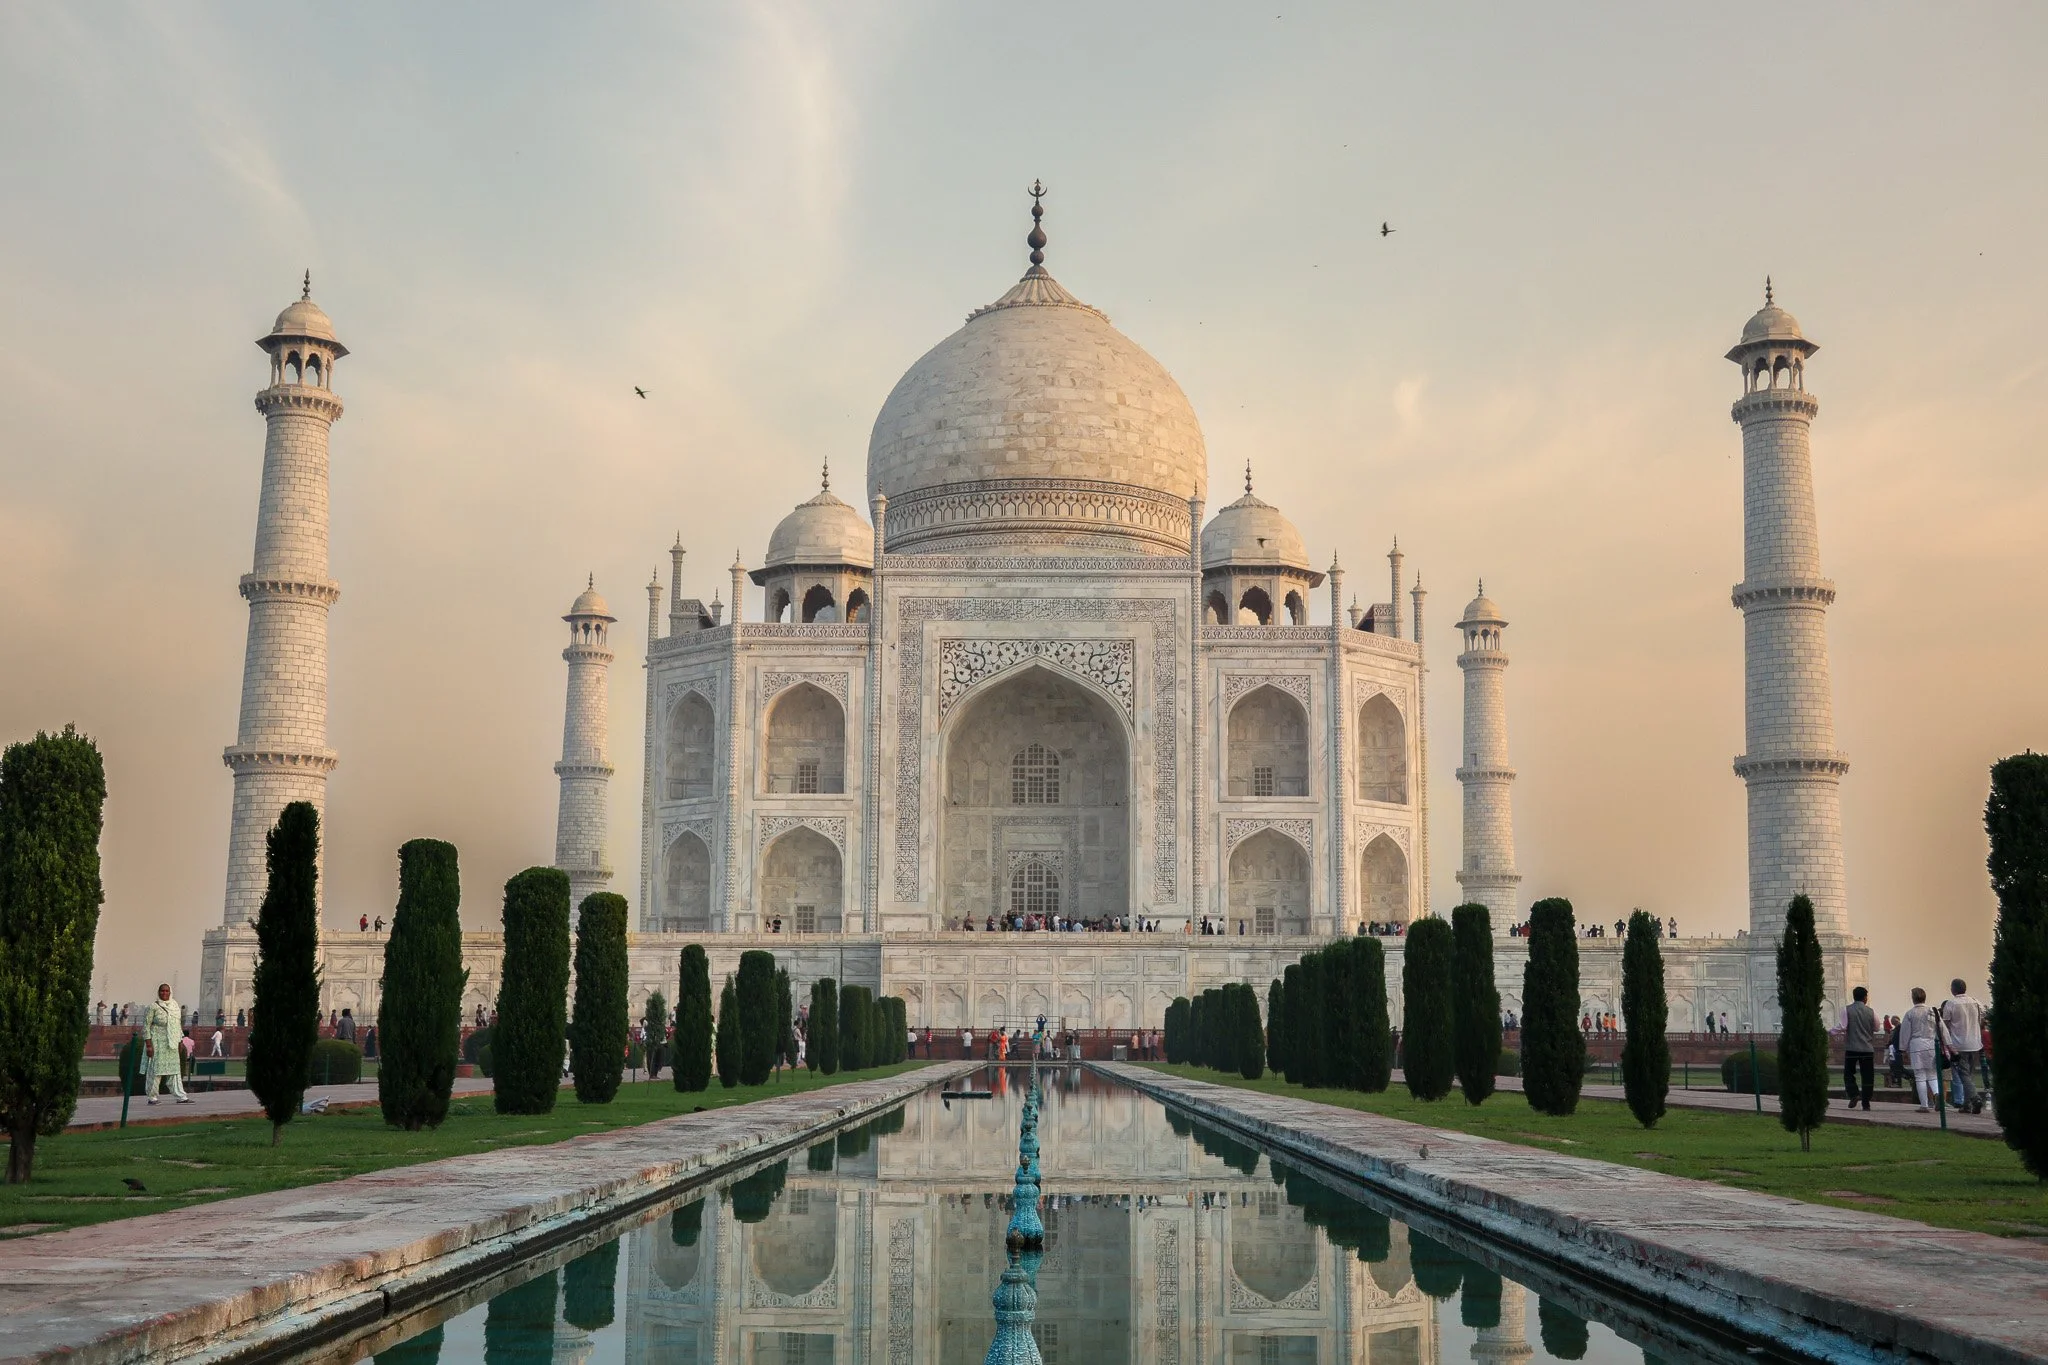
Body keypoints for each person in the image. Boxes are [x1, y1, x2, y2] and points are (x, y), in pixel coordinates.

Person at [141, 983, 193, 1105]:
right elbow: (146, 1027)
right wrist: (149, 1045)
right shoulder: (153, 1007)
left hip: (172, 1043)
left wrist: (180, 1041)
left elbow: (176, 1025)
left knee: (174, 1071)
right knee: (156, 1070)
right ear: (158, 992)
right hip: (157, 1042)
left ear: (170, 993)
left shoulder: (175, 1006)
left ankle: (181, 1096)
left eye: (166, 991)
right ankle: (152, 1097)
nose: (164, 993)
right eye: (162, 991)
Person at [1941, 978, 1986, 1114]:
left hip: (1959, 1044)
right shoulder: (1976, 1002)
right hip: (1975, 1042)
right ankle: (1967, 1105)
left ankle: (1975, 1098)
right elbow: (1982, 1018)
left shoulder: (1951, 1003)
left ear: (1953, 989)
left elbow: (1946, 1024)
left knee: (1964, 1075)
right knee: (1969, 1075)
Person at [1899, 987, 1940, 1112]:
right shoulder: (1932, 1011)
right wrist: (1948, 1044)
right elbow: (1942, 1028)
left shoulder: (1910, 1013)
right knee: (1932, 1074)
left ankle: (1924, 1105)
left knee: (1920, 1076)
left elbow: (1905, 1033)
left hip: (1916, 1045)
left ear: (1913, 999)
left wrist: (1902, 1049)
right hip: (1931, 1044)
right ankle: (1937, 1094)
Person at [1842, 985, 1876, 1111]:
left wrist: (1831, 1032)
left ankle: (1854, 1094)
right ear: (1865, 998)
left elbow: (1843, 1026)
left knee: (1848, 1073)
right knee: (1868, 1076)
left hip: (1852, 1047)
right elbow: (1877, 1027)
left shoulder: (1847, 1010)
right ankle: (1866, 1103)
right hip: (1867, 1049)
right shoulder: (1871, 1012)